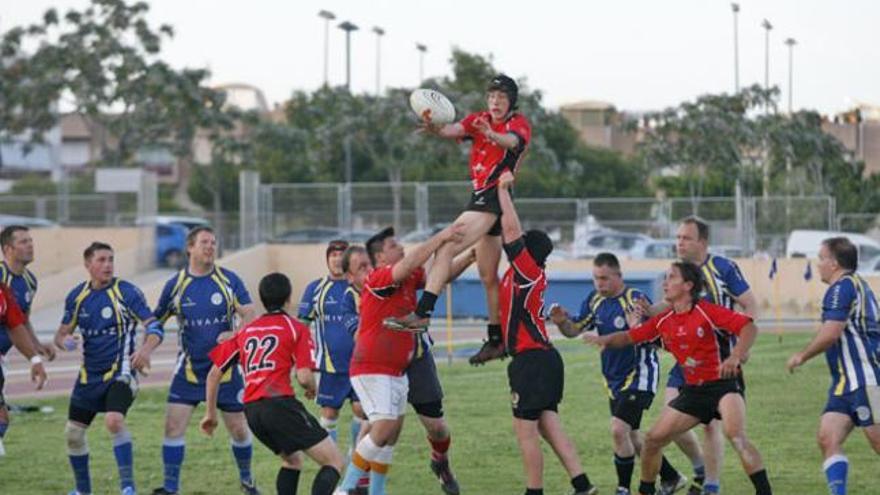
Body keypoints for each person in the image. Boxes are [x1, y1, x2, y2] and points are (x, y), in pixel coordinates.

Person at [586, 261, 771, 495]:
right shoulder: (664, 320)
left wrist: (735, 356)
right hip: (693, 391)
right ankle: (647, 491)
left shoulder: (707, 310)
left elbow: (748, 328)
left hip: (723, 385)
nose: (665, 283)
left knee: (735, 436)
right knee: (652, 440)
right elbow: (630, 336)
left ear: (688, 285)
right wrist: (604, 340)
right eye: (665, 278)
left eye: (671, 278)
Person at [387, 74, 531, 369]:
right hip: (484, 197)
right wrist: (434, 127)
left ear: (511, 101)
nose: (495, 102)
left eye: (501, 97)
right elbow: (452, 130)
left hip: (491, 197)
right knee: (488, 276)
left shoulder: (516, 124)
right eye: (491, 96)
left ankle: (423, 312)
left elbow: (511, 142)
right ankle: (496, 339)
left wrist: (490, 133)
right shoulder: (478, 119)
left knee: (447, 246)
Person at [337, 224, 463, 495]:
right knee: (379, 426)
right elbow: (408, 265)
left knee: (424, 429)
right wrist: (440, 237)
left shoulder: (403, 275)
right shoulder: (377, 280)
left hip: (409, 360)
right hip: (375, 364)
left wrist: (470, 255)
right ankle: (350, 487)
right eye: (394, 245)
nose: (402, 247)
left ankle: (436, 464)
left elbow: (438, 275)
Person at [492, 171, 596, 495]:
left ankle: (534, 491)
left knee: (526, 432)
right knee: (549, 426)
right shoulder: (523, 273)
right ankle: (582, 484)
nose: (513, 245)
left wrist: (502, 191)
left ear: (528, 251)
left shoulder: (527, 270)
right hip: (543, 359)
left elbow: (510, 229)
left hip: (533, 361)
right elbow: (506, 233)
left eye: (520, 245)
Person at [550, 252, 683, 495]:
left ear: (618, 276)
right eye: (595, 278)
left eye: (604, 278)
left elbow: (652, 335)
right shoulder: (594, 300)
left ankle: (623, 488)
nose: (599, 283)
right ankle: (671, 477)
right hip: (613, 379)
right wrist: (561, 323)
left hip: (639, 375)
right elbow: (574, 330)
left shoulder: (634, 299)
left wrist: (636, 327)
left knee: (618, 429)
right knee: (632, 436)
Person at [200, 272, 344, 495]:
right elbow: (304, 377)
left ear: (262, 300)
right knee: (334, 461)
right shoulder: (295, 328)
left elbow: (212, 375)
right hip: (280, 406)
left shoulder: (245, 331)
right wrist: (312, 388)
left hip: (253, 412)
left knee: (292, 461)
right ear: (288, 299)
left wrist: (210, 414)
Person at [653, 217, 759, 495]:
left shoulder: (722, 267)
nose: (680, 242)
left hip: (715, 360)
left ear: (702, 242)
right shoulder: (678, 272)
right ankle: (700, 468)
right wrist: (645, 313)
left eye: (686, 238)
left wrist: (741, 349)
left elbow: (750, 303)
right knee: (670, 420)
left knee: (711, 426)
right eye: (678, 237)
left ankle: (711, 484)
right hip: (685, 360)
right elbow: (667, 307)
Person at [152, 226, 259, 495]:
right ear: (190, 248)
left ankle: (248, 483)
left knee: (238, 429)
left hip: (226, 371)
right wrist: (144, 348)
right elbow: (155, 322)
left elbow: (249, 313)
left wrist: (236, 334)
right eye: (204, 242)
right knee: (173, 426)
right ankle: (170, 488)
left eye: (214, 242)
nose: (211, 247)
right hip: (188, 370)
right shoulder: (175, 284)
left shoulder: (228, 280)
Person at [54, 242, 162, 495]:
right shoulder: (77, 296)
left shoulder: (126, 292)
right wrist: (64, 342)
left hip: (121, 373)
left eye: (111, 259)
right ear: (88, 265)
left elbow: (153, 326)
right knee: (73, 434)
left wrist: (145, 350)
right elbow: (61, 334)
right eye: (101, 260)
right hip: (88, 377)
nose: (108, 265)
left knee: (114, 421)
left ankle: (127, 487)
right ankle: (82, 490)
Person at [786, 237, 880, 495]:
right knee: (828, 438)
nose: (818, 265)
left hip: (866, 380)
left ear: (835, 263)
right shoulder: (858, 285)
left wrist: (801, 356)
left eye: (821, 259)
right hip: (845, 383)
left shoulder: (841, 288)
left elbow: (831, 333)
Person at [298, 240, 366, 451]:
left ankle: (356, 457)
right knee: (329, 413)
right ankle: (332, 460)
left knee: (361, 410)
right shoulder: (315, 289)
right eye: (333, 255)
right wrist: (303, 365)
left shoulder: (361, 287)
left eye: (341, 255)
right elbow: (301, 329)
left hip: (361, 363)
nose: (337, 259)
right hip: (329, 365)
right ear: (327, 259)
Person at [0, 224, 55, 455]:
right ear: (7, 249)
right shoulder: (1, 276)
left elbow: (21, 321)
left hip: (2, 356)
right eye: (23, 241)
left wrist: (37, 346)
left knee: (4, 418)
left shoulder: (30, 282)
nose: (30, 245)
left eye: (30, 240)